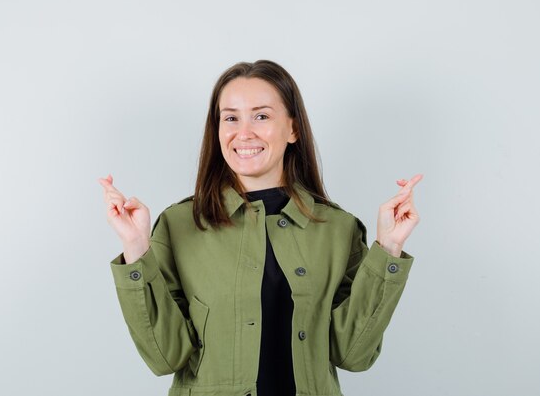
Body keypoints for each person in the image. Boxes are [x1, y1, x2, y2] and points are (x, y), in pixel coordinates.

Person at [99, 59, 423, 396]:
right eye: (231, 118)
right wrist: (136, 248)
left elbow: (353, 354)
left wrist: (388, 249)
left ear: (293, 129)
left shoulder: (338, 229)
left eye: (262, 115)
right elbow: (164, 357)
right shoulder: (180, 225)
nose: (244, 132)